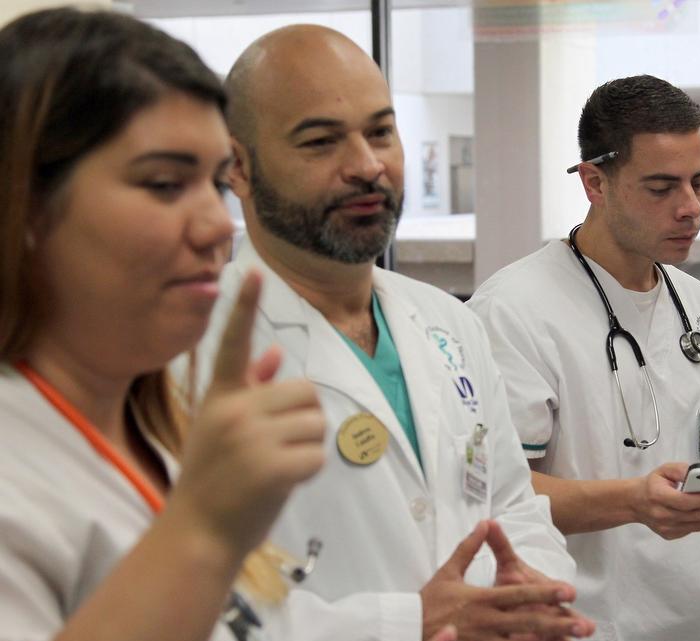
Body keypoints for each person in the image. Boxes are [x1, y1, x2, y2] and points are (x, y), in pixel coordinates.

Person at [0, 8, 469, 641]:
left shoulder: (139, 426)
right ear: (24, 203)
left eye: (210, 183)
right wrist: (204, 529)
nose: (219, 226)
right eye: (165, 184)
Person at [185, 24, 593, 641]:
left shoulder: (449, 322)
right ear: (238, 167)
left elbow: (513, 502)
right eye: (320, 141)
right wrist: (405, 624)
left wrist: (527, 594)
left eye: (381, 131)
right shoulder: (185, 355)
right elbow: (177, 603)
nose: (368, 165)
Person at [468, 74, 700, 641]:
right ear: (595, 182)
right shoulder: (514, 311)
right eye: (661, 187)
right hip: (584, 623)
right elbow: (498, 490)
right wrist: (632, 502)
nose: (690, 209)